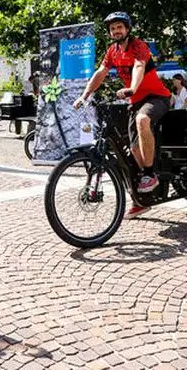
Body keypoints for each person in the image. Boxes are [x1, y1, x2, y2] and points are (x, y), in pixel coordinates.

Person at [73, 12, 171, 217]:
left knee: (142, 119)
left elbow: (139, 65)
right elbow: (100, 72)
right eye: (112, 28)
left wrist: (133, 88)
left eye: (119, 27)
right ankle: (142, 200)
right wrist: (85, 96)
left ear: (127, 29)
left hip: (156, 97)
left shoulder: (138, 46)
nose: (116, 31)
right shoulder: (112, 51)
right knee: (133, 150)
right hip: (135, 101)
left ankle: (149, 175)